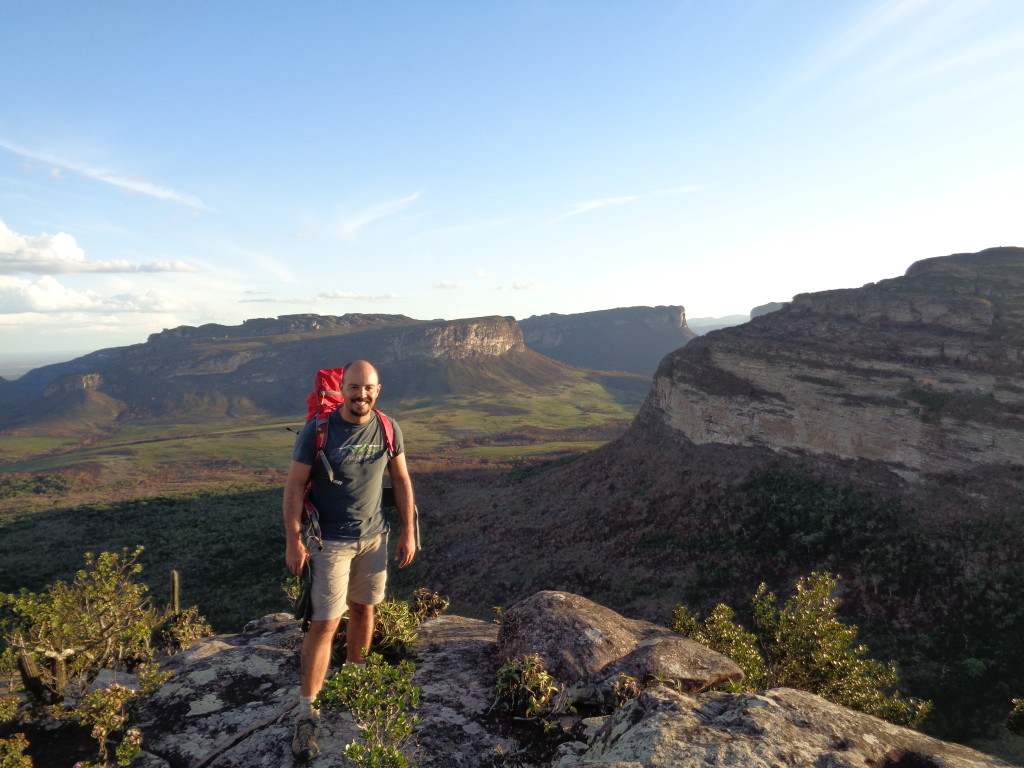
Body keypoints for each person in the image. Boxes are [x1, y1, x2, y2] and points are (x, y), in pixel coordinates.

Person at [282, 360, 416, 761]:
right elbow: (294, 486)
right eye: (354, 387)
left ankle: (354, 678)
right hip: (329, 542)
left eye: (368, 388)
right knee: (325, 623)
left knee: (364, 608)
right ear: (342, 389)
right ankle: (307, 712)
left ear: (378, 390)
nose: (361, 395)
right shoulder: (319, 431)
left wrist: (408, 531)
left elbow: (401, 480)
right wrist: (293, 540)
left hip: (374, 537)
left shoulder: (388, 427)